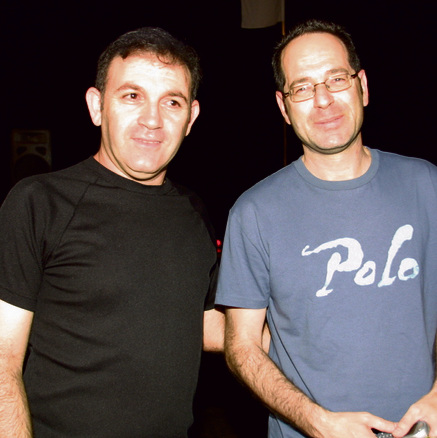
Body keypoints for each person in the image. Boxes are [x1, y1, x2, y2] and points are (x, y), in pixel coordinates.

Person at [215, 19, 437, 438]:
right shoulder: (253, 212)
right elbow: (242, 347)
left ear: (362, 86)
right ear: (284, 107)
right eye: (302, 88)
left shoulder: (427, 185)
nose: (323, 100)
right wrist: (316, 423)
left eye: (336, 79)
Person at [0, 27, 224, 437]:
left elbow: (205, 326)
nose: (152, 120)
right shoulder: (39, 203)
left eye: (171, 101)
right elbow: (2, 362)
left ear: (191, 118)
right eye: (132, 96)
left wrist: (306, 325)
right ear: (97, 106)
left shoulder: (193, 211)